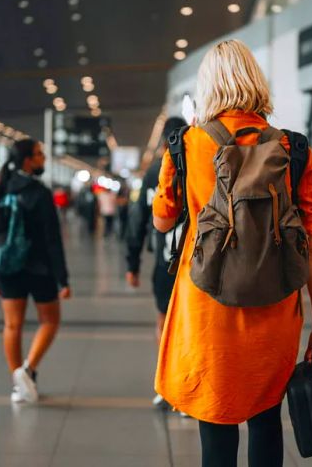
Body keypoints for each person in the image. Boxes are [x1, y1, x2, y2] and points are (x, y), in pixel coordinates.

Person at [152, 40, 312, 467]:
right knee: (267, 420)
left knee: (216, 426)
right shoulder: (293, 149)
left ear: (209, 86)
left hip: (209, 306)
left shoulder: (186, 145)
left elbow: (162, 220)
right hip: (276, 307)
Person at [0, 139, 71, 404]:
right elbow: (52, 239)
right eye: (39, 155)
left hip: (7, 266)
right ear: (27, 160)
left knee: (12, 325)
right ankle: (28, 370)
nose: (43, 159)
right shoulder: (39, 192)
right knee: (50, 321)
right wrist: (62, 278)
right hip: (39, 268)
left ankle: (18, 385)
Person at [125, 116, 187, 408]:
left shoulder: (152, 175)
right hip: (194, 265)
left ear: (163, 142)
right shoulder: (197, 167)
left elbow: (137, 220)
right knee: (191, 325)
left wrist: (132, 263)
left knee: (163, 322)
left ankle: (165, 386)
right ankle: (188, 389)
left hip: (165, 263)